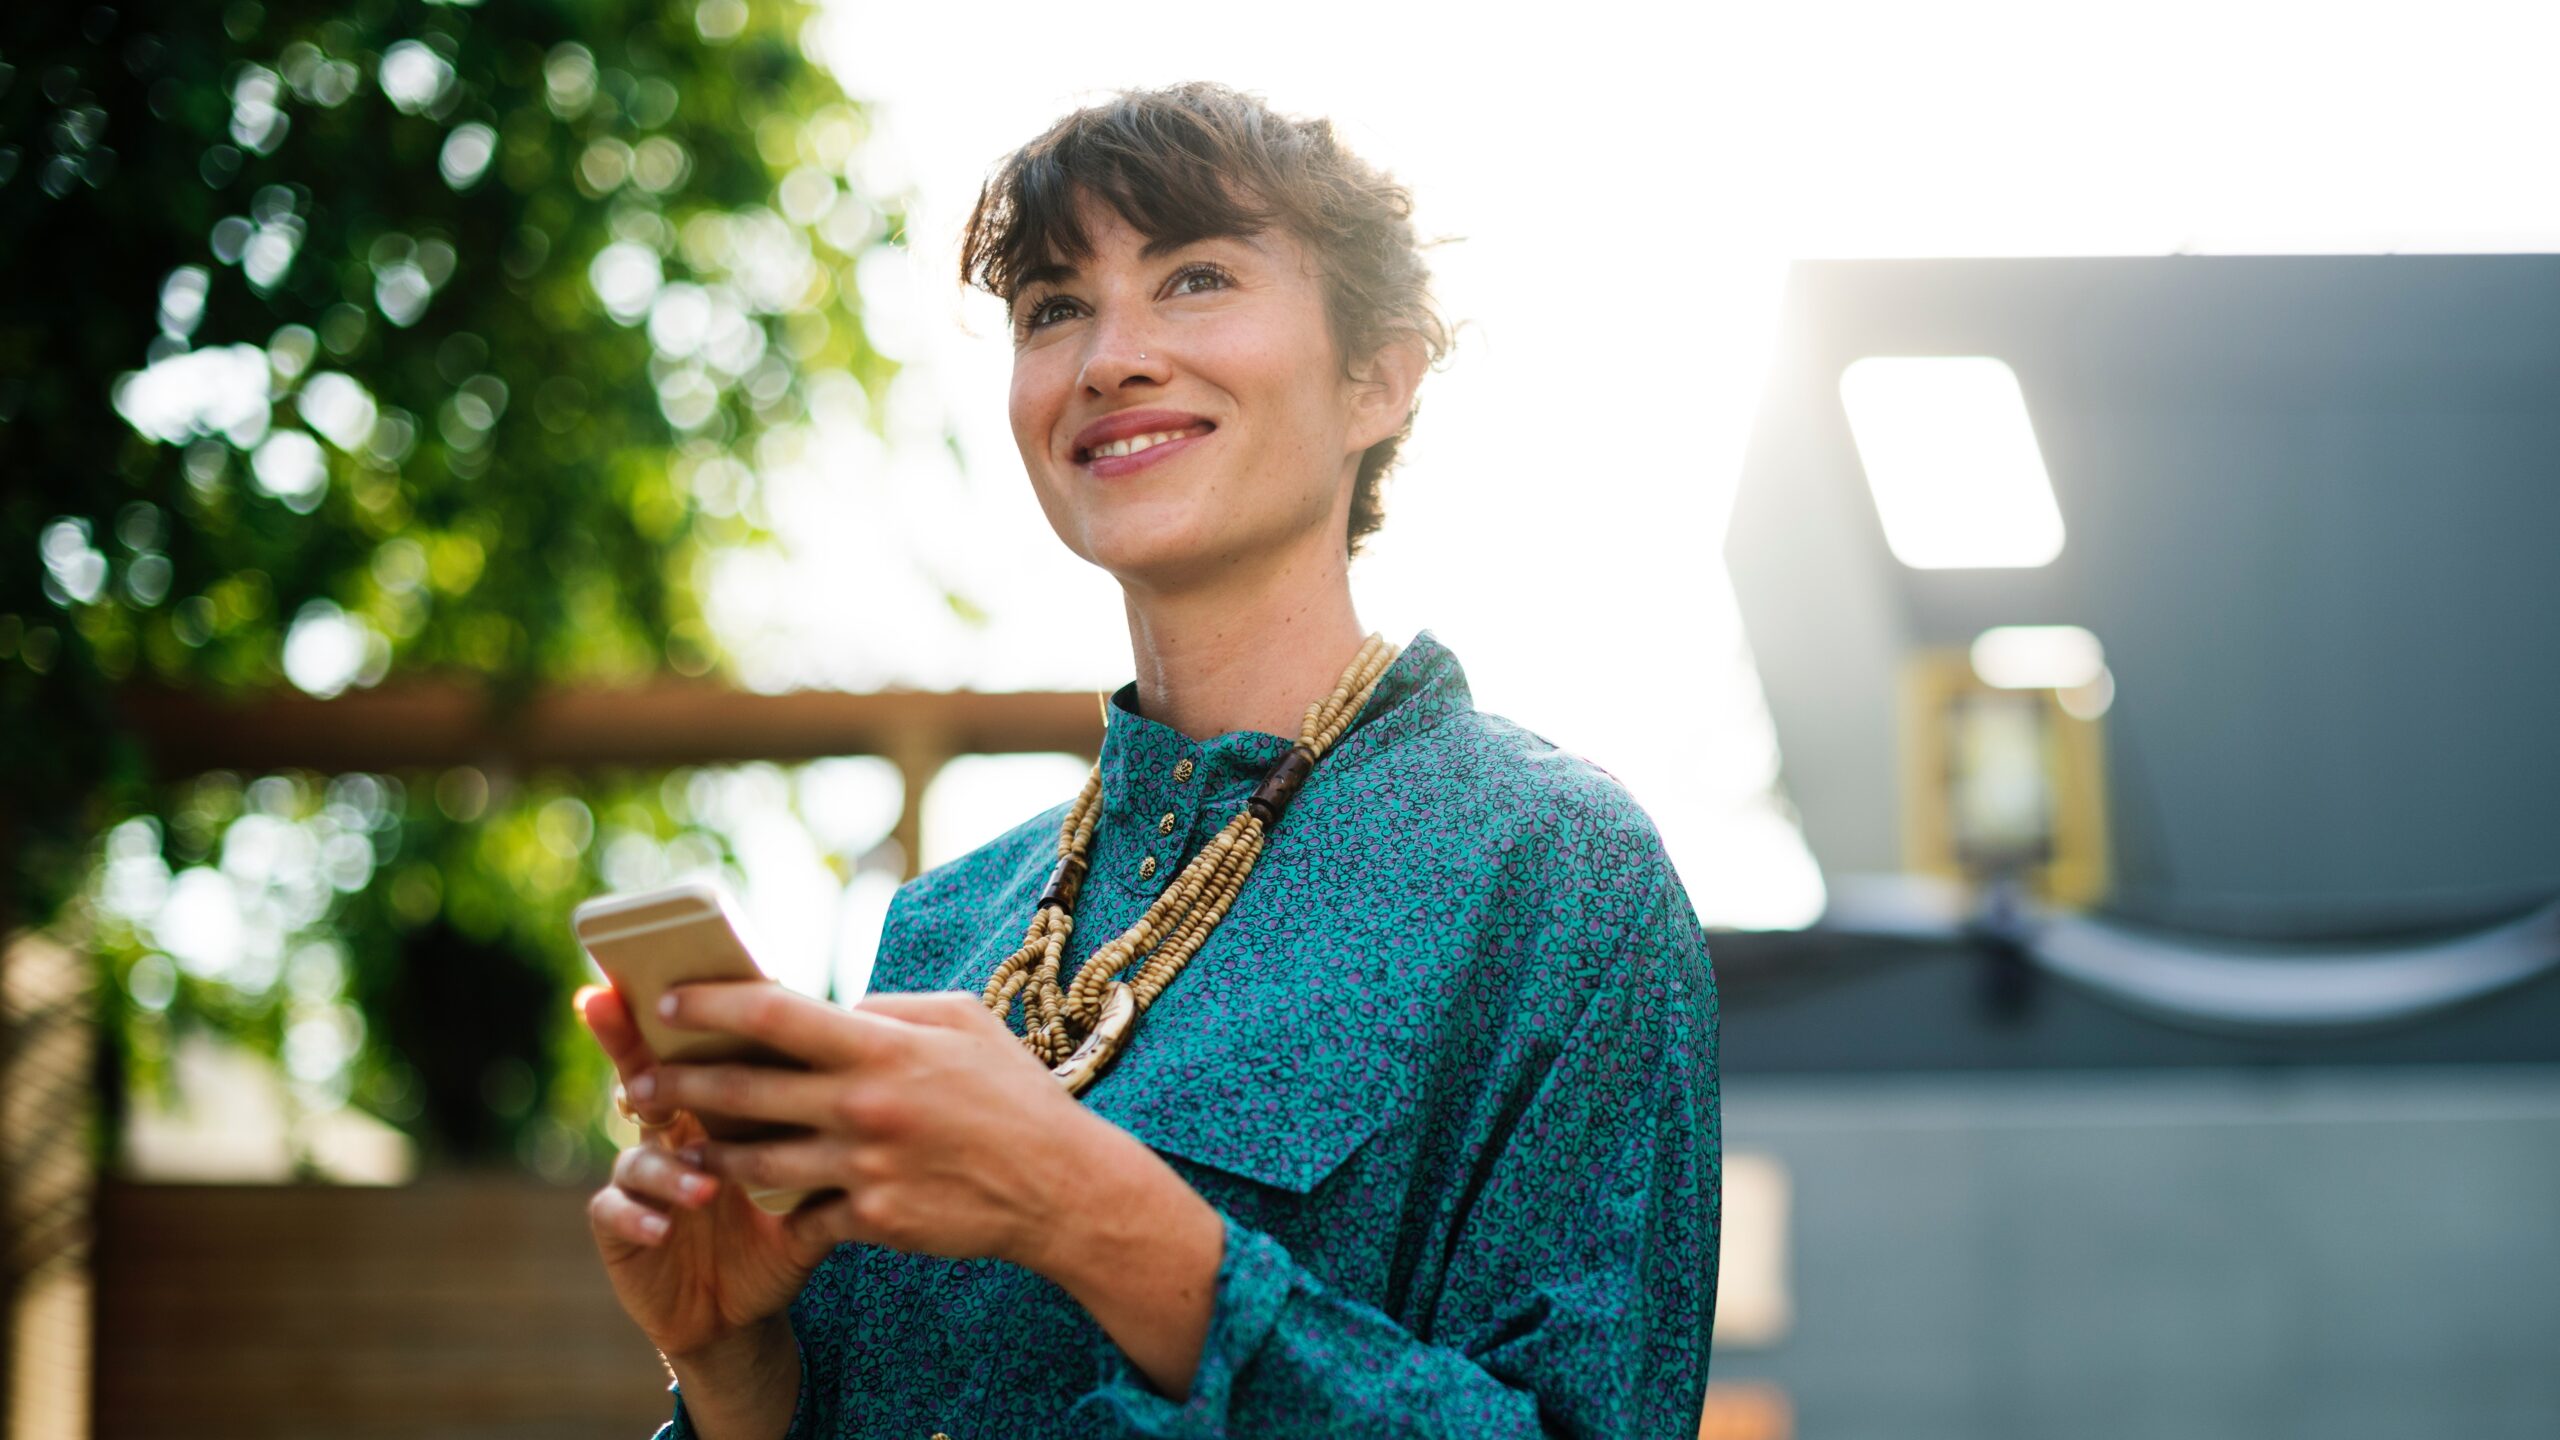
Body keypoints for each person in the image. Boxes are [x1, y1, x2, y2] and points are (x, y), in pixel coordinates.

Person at [575, 81, 1721, 1439]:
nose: (1111, 356)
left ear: (1380, 375)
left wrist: (1088, 1212)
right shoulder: (942, 930)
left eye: (1196, 279)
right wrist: (735, 1372)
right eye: (1055, 306)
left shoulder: (1553, 875)